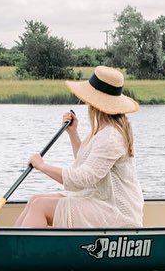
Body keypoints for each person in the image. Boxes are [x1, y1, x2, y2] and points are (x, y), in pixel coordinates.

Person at [15, 65, 144, 228]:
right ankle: (11, 247)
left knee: (40, 207)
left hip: (116, 211)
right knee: (35, 200)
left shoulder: (111, 136)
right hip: (98, 199)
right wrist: (73, 133)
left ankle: (19, 252)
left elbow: (82, 179)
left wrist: (42, 166)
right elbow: (87, 163)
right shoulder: (103, 129)